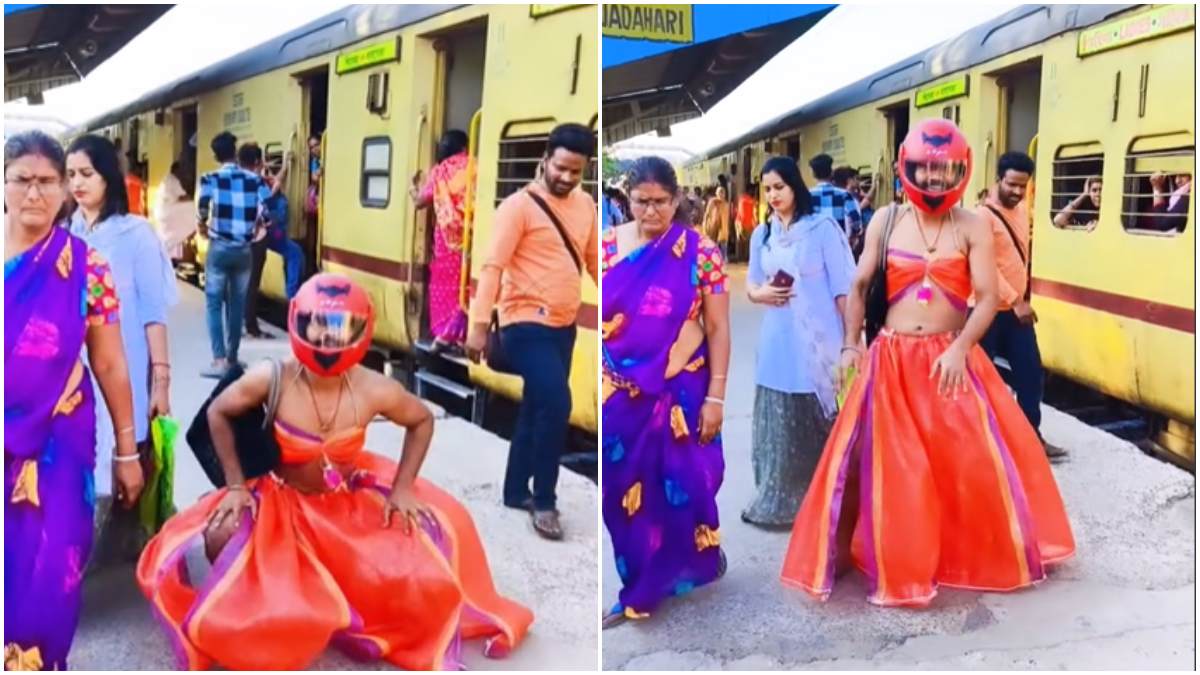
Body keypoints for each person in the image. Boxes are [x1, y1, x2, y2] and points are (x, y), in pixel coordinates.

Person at [136, 274, 531, 669]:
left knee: (435, 539)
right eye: (317, 326)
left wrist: (403, 488)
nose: (327, 340)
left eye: (341, 329)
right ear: (297, 322)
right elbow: (218, 412)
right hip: (279, 500)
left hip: (345, 499)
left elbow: (422, 421)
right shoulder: (271, 377)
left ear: (363, 329)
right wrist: (237, 486)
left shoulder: (376, 388)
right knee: (224, 540)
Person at [780, 119, 1074, 607]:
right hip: (892, 359)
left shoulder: (972, 225)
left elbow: (984, 298)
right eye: (925, 169)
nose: (934, 180)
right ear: (905, 167)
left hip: (950, 360)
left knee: (968, 465)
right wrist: (851, 344)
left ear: (960, 171)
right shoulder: (886, 219)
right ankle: (904, 563)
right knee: (899, 470)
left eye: (944, 171)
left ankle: (959, 555)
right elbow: (858, 286)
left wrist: (961, 349)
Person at [5, 130, 144, 670]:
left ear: (66, 189)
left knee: (51, 571)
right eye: (22, 180)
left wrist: (127, 450)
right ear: (4, 185)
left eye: (47, 182)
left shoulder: (87, 267)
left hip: (60, 443)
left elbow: (109, 362)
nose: (34, 194)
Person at [600, 156, 731, 629]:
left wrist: (716, 398)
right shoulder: (607, 249)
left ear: (677, 200)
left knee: (686, 483)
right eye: (641, 201)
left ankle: (687, 564)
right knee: (619, 491)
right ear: (627, 200)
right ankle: (638, 578)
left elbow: (717, 328)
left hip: (683, 389)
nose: (651, 211)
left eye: (660, 202)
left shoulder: (700, 253)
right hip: (621, 392)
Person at [465, 123, 598, 541]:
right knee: (557, 404)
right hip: (523, 323)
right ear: (545, 160)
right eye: (560, 168)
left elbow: (595, 263)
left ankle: (513, 490)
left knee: (538, 406)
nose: (566, 177)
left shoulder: (587, 206)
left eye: (576, 171)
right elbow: (493, 269)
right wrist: (478, 327)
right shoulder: (517, 207)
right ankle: (544, 500)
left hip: (563, 325)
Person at [66, 134, 179, 562]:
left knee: (129, 450)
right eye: (72, 174)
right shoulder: (65, 232)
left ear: (108, 178)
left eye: (87, 174)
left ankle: (135, 545)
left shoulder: (137, 236)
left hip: (127, 362)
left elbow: (153, 313)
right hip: (77, 369)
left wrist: (161, 382)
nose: (77, 183)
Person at [742, 157, 856, 528]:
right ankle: (782, 498)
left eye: (780, 187)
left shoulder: (821, 229)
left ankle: (826, 499)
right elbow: (752, 285)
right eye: (768, 189)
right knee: (781, 415)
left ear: (795, 186)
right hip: (778, 337)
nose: (773, 195)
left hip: (821, 340)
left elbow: (843, 290)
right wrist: (762, 296)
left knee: (822, 415)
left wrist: (853, 341)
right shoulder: (764, 234)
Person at [977, 152, 1066, 460]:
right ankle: (982, 442)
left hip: (1014, 313)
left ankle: (1030, 438)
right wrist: (1017, 300)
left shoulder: (1022, 209)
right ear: (998, 179)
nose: (1017, 191)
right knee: (981, 380)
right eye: (1012, 184)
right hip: (986, 312)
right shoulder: (982, 217)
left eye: (1022, 186)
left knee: (1030, 373)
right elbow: (983, 265)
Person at [196, 131, 272, 378]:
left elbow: (202, 209)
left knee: (214, 303)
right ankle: (233, 359)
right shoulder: (255, 181)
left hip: (219, 248)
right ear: (235, 151)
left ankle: (218, 361)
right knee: (237, 304)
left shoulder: (210, 178)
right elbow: (268, 214)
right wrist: (257, 229)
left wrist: (202, 226)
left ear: (216, 155)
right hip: (243, 250)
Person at [411, 130, 472, 350]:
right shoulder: (475, 166)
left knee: (444, 286)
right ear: (465, 147)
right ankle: (464, 334)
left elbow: (420, 201)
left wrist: (412, 189)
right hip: (473, 236)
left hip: (447, 238)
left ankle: (446, 333)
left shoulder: (440, 171)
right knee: (467, 285)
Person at [235, 143, 274, 339]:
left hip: (234, 238)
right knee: (252, 284)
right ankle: (251, 326)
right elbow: (265, 205)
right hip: (255, 238)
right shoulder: (258, 182)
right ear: (258, 162)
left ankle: (235, 325)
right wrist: (268, 222)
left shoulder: (231, 179)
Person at [260, 150, 305, 299]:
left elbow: (278, 179)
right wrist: (285, 163)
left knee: (295, 252)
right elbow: (278, 180)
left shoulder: (262, 186)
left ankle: (292, 290)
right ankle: (292, 294)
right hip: (273, 233)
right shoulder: (269, 193)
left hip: (268, 233)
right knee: (295, 253)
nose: (272, 177)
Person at [809, 153, 863, 251]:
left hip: (814, 248)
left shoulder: (807, 196)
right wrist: (853, 236)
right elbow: (856, 221)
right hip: (839, 247)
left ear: (813, 174)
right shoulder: (844, 195)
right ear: (831, 172)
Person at [153, 159, 196, 260]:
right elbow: (183, 197)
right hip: (167, 212)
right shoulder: (173, 180)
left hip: (162, 212)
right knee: (193, 209)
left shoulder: (166, 179)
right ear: (177, 171)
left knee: (169, 236)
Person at [703, 185, 731, 260]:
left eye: (722, 193)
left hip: (723, 230)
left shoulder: (726, 205)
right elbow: (707, 214)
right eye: (719, 193)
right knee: (712, 248)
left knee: (723, 249)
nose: (721, 195)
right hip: (712, 229)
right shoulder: (712, 202)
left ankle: (722, 263)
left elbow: (727, 218)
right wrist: (705, 225)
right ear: (716, 194)